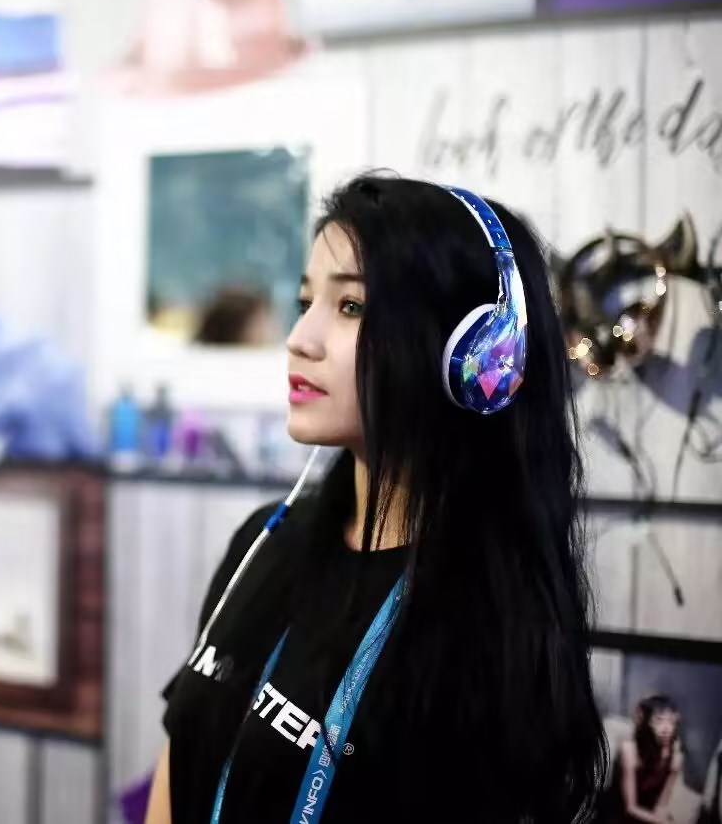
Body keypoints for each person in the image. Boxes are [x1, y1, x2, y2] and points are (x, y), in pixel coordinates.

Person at [145, 174, 608, 823]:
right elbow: (178, 765)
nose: (300, 338)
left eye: (351, 307)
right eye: (306, 301)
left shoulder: (487, 626)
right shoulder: (265, 539)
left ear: (471, 351)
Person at [600, 695, 684, 824]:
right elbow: (630, 807)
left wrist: (661, 818)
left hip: (647, 814)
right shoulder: (630, 750)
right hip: (620, 815)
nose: (666, 729)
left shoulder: (674, 755)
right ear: (646, 722)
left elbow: (662, 803)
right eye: (659, 721)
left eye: (671, 722)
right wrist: (660, 821)